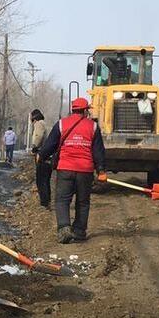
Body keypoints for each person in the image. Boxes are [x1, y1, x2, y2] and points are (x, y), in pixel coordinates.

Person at [39, 97, 106, 243]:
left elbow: (50, 144)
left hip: (65, 168)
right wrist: (101, 170)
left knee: (62, 200)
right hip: (85, 170)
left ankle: (64, 230)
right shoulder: (93, 127)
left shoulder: (62, 124)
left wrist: (41, 155)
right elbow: (98, 151)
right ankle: (79, 231)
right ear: (86, 111)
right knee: (83, 202)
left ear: (73, 110)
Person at [29, 109, 52, 209]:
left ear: (34, 117)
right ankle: (48, 201)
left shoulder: (38, 124)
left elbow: (38, 136)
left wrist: (34, 147)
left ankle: (44, 203)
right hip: (48, 155)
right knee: (46, 180)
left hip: (41, 154)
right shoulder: (45, 123)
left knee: (41, 180)